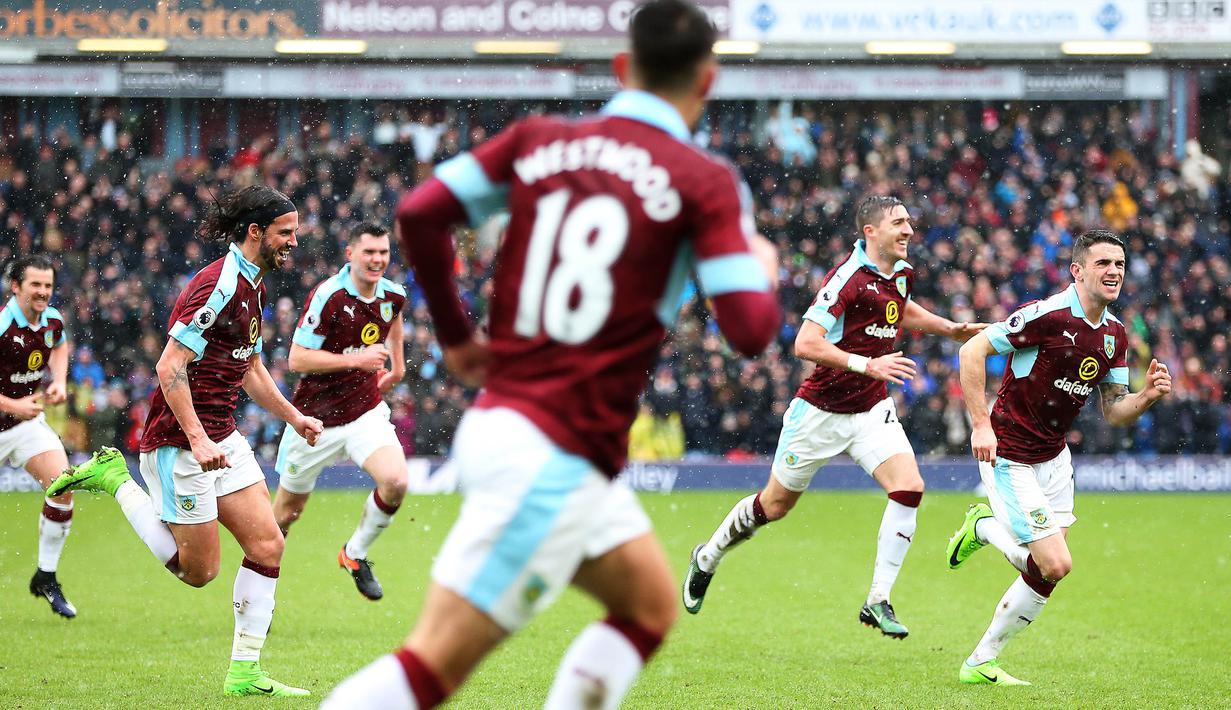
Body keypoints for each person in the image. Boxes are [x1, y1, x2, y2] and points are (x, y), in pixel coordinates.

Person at [322, 1, 781, 706]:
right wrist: (761, 262)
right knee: (431, 668)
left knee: (648, 608)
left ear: (623, 68)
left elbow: (418, 213)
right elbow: (750, 331)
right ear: (708, 81)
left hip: (522, 431)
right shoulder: (703, 179)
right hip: (553, 455)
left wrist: (454, 338)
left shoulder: (539, 140)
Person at [48, 186, 324, 697]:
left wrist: (293, 415)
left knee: (268, 544)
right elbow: (169, 365)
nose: (294, 241)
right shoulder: (217, 285)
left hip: (223, 436)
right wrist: (196, 439)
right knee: (199, 573)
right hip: (180, 443)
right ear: (255, 232)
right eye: (286, 232)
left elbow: (251, 366)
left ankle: (244, 672)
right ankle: (115, 479)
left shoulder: (254, 282)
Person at [682, 195, 985, 638]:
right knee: (773, 507)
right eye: (899, 223)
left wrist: (951, 328)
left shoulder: (901, 272)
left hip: (870, 410)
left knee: (909, 488)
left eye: (909, 223)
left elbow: (901, 309)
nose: (909, 231)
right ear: (871, 232)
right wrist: (868, 364)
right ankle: (706, 557)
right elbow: (805, 342)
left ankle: (878, 600)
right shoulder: (846, 279)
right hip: (819, 413)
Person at [945, 229, 1171, 685]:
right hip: (1009, 452)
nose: (1113, 272)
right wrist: (980, 423)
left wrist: (1145, 397)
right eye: (1103, 263)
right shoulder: (1046, 316)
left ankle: (979, 661)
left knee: (1045, 572)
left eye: (1120, 265)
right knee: (1056, 563)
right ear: (1078, 270)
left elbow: (1113, 410)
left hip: (1055, 458)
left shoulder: (1115, 336)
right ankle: (984, 527)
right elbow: (972, 350)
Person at [271, 222, 408, 600]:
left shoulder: (393, 294)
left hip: (364, 412)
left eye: (383, 252)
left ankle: (355, 554)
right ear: (350, 254)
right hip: (314, 420)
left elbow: (393, 318)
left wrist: (397, 366)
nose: (377, 259)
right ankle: (257, 598)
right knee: (283, 517)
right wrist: (358, 360)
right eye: (369, 252)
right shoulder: (328, 296)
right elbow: (297, 359)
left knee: (395, 481)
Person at [0, 255, 76, 617]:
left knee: (62, 486)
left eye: (48, 285)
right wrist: (13, 405)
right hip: (15, 415)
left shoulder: (53, 320)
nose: (43, 292)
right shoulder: (2, 325)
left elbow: (59, 345)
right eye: (35, 285)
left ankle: (46, 576)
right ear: (16, 286)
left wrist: (59, 381)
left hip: (24, 426)